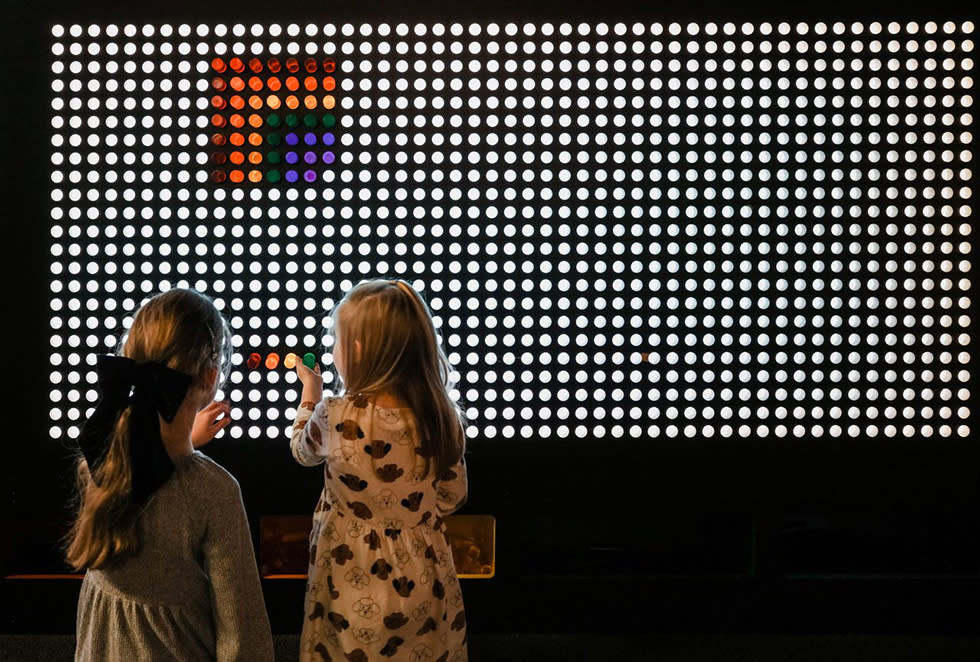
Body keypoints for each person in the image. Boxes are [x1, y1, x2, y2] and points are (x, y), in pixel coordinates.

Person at [66, 288, 275, 662]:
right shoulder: (214, 492)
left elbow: (157, 473)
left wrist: (189, 442)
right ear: (211, 377)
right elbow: (243, 636)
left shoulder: (103, 455)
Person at [291, 278, 469, 662]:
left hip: (348, 572)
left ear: (356, 351)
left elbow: (301, 452)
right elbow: (452, 497)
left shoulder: (335, 414)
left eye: (336, 340)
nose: (332, 350)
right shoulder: (442, 417)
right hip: (423, 577)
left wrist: (311, 395)